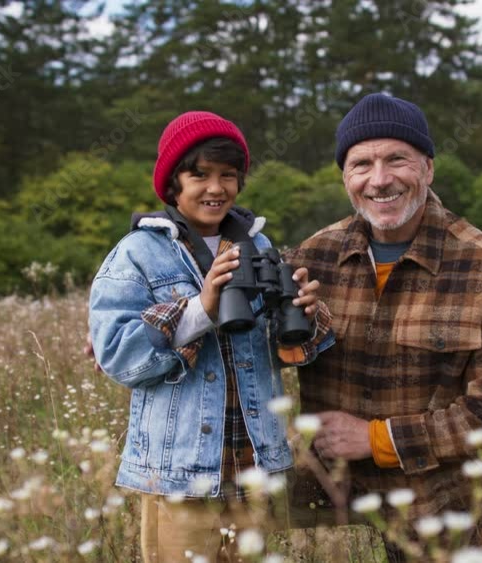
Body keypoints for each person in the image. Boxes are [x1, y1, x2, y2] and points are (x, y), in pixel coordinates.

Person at [285, 93, 482, 558]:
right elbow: (244, 329)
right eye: (361, 164)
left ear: (428, 168)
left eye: (397, 159)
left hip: (442, 516)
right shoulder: (313, 256)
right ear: (345, 177)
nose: (379, 180)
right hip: (331, 514)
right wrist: (136, 318)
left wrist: (377, 439)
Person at [88, 110, 334, 562]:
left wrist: (301, 316)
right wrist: (201, 308)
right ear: (172, 184)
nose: (216, 188)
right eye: (198, 174)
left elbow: (276, 355)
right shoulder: (137, 253)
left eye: (228, 175)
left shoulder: (257, 246)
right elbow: (117, 356)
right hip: (180, 470)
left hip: (253, 463)